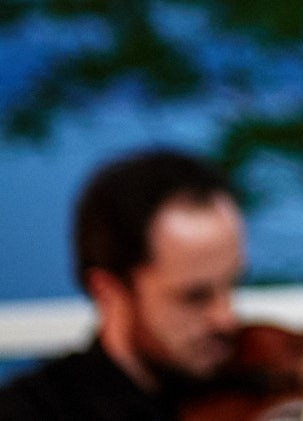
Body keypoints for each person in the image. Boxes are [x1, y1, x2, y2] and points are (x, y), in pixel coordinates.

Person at [0, 149, 245, 421]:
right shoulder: (33, 411)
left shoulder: (250, 387)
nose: (226, 319)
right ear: (108, 291)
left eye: (232, 284)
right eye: (194, 296)